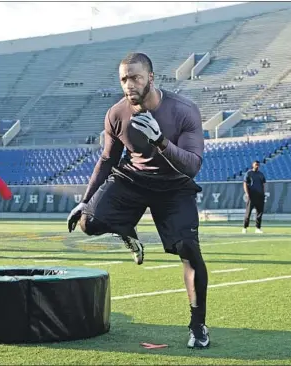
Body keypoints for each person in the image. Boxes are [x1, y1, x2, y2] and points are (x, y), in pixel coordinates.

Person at [66, 52, 210, 348]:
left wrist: (161, 142)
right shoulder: (116, 113)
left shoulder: (183, 110)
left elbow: (193, 165)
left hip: (174, 184)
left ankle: (198, 325)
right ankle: (127, 232)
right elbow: (108, 159)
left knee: (188, 250)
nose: (129, 85)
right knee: (89, 222)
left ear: (151, 78)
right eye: (123, 79)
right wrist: (85, 200)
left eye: (135, 77)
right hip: (133, 178)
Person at [242, 160, 267, 234]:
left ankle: (258, 228)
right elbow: (245, 183)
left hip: (260, 196)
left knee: (259, 213)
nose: (257, 166)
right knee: (248, 212)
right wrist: (247, 193)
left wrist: (263, 193)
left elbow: (263, 184)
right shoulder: (249, 173)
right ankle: (245, 227)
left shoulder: (261, 174)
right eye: (256, 164)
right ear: (253, 165)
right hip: (252, 195)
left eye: (258, 165)